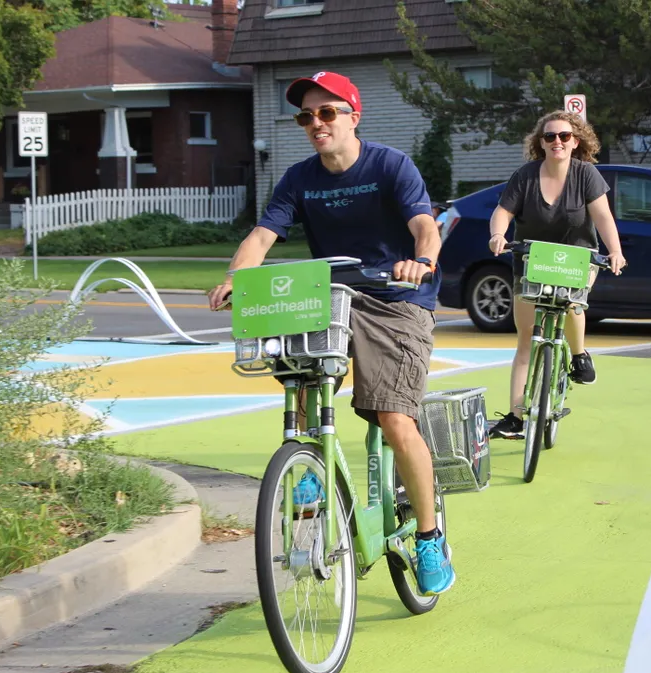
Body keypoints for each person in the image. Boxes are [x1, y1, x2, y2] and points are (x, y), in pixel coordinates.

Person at [207, 71, 455, 595]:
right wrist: (236, 276)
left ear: (353, 116)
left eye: (327, 112)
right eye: (305, 116)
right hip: (331, 298)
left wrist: (422, 261)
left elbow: (424, 224)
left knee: (393, 417)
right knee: (300, 379)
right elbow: (262, 235)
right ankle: (311, 461)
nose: (315, 123)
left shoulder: (390, 165)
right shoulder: (299, 178)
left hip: (396, 299)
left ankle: (430, 538)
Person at [486, 110, 626, 440]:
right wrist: (497, 235)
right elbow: (502, 213)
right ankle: (517, 417)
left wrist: (616, 251)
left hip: (576, 259)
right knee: (526, 342)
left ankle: (578, 355)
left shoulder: (586, 175)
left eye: (564, 136)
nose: (557, 142)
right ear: (541, 143)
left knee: (572, 304)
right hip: (533, 259)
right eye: (550, 137)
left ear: (576, 141)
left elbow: (603, 218)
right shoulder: (525, 176)